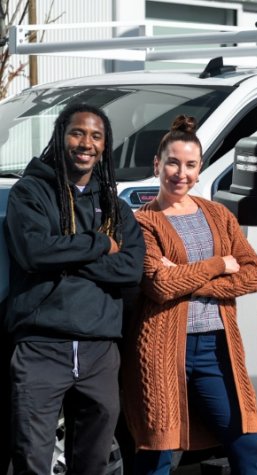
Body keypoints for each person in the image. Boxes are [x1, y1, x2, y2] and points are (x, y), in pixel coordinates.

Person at [4, 102, 146, 475]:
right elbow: (34, 252)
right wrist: (98, 244)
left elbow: (131, 269)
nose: (86, 143)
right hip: (41, 346)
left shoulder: (114, 207)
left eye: (96, 136)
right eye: (77, 133)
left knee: (92, 462)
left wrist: (65, 256)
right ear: (60, 137)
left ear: (105, 145)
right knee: (32, 459)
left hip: (100, 349)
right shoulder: (30, 193)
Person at [121, 114, 257, 474]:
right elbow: (158, 285)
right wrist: (219, 263)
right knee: (158, 451)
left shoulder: (218, 215)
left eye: (189, 165)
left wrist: (184, 277)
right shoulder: (142, 222)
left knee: (248, 442)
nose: (180, 173)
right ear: (157, 165)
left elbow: (252, 275)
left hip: (217, 347)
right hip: (163, 348)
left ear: (200, 170)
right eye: (172, 162)